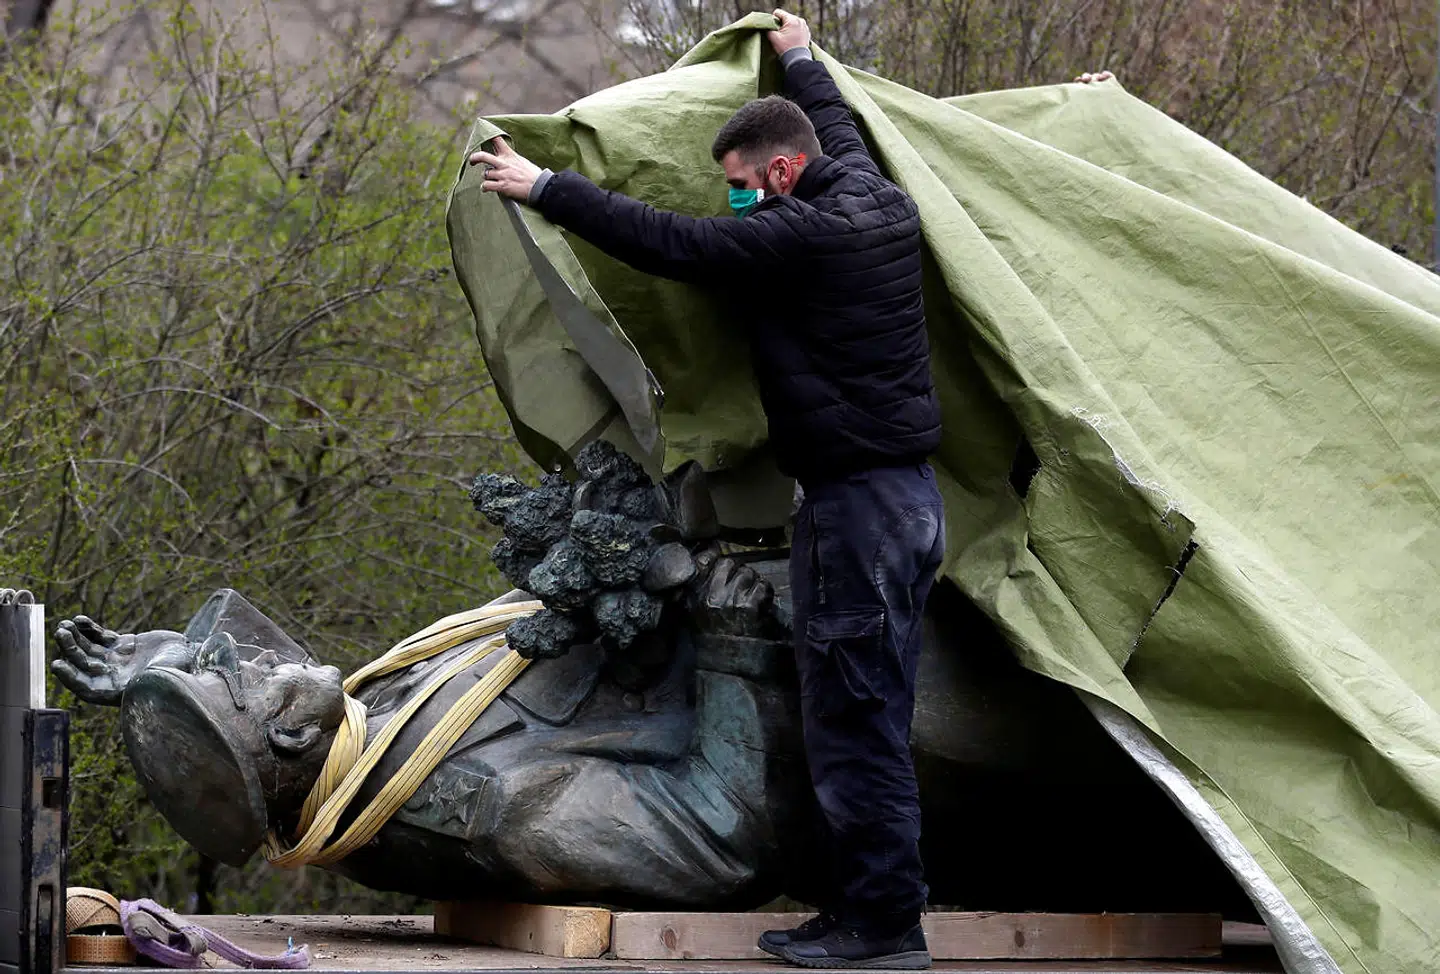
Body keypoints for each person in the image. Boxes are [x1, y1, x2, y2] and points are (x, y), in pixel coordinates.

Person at [470, 10, 944, 969]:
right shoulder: (872, 193)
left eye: (736, 186)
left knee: (857, 723)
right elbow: (835, 121)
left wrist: (545, 186)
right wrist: (803, 58)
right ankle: (861, 909)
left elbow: (670, 245)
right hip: (889, 502)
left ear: (777, 174)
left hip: (862, 511)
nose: (731, 202)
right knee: (857, 711)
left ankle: (885, 928)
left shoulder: (806, 234)